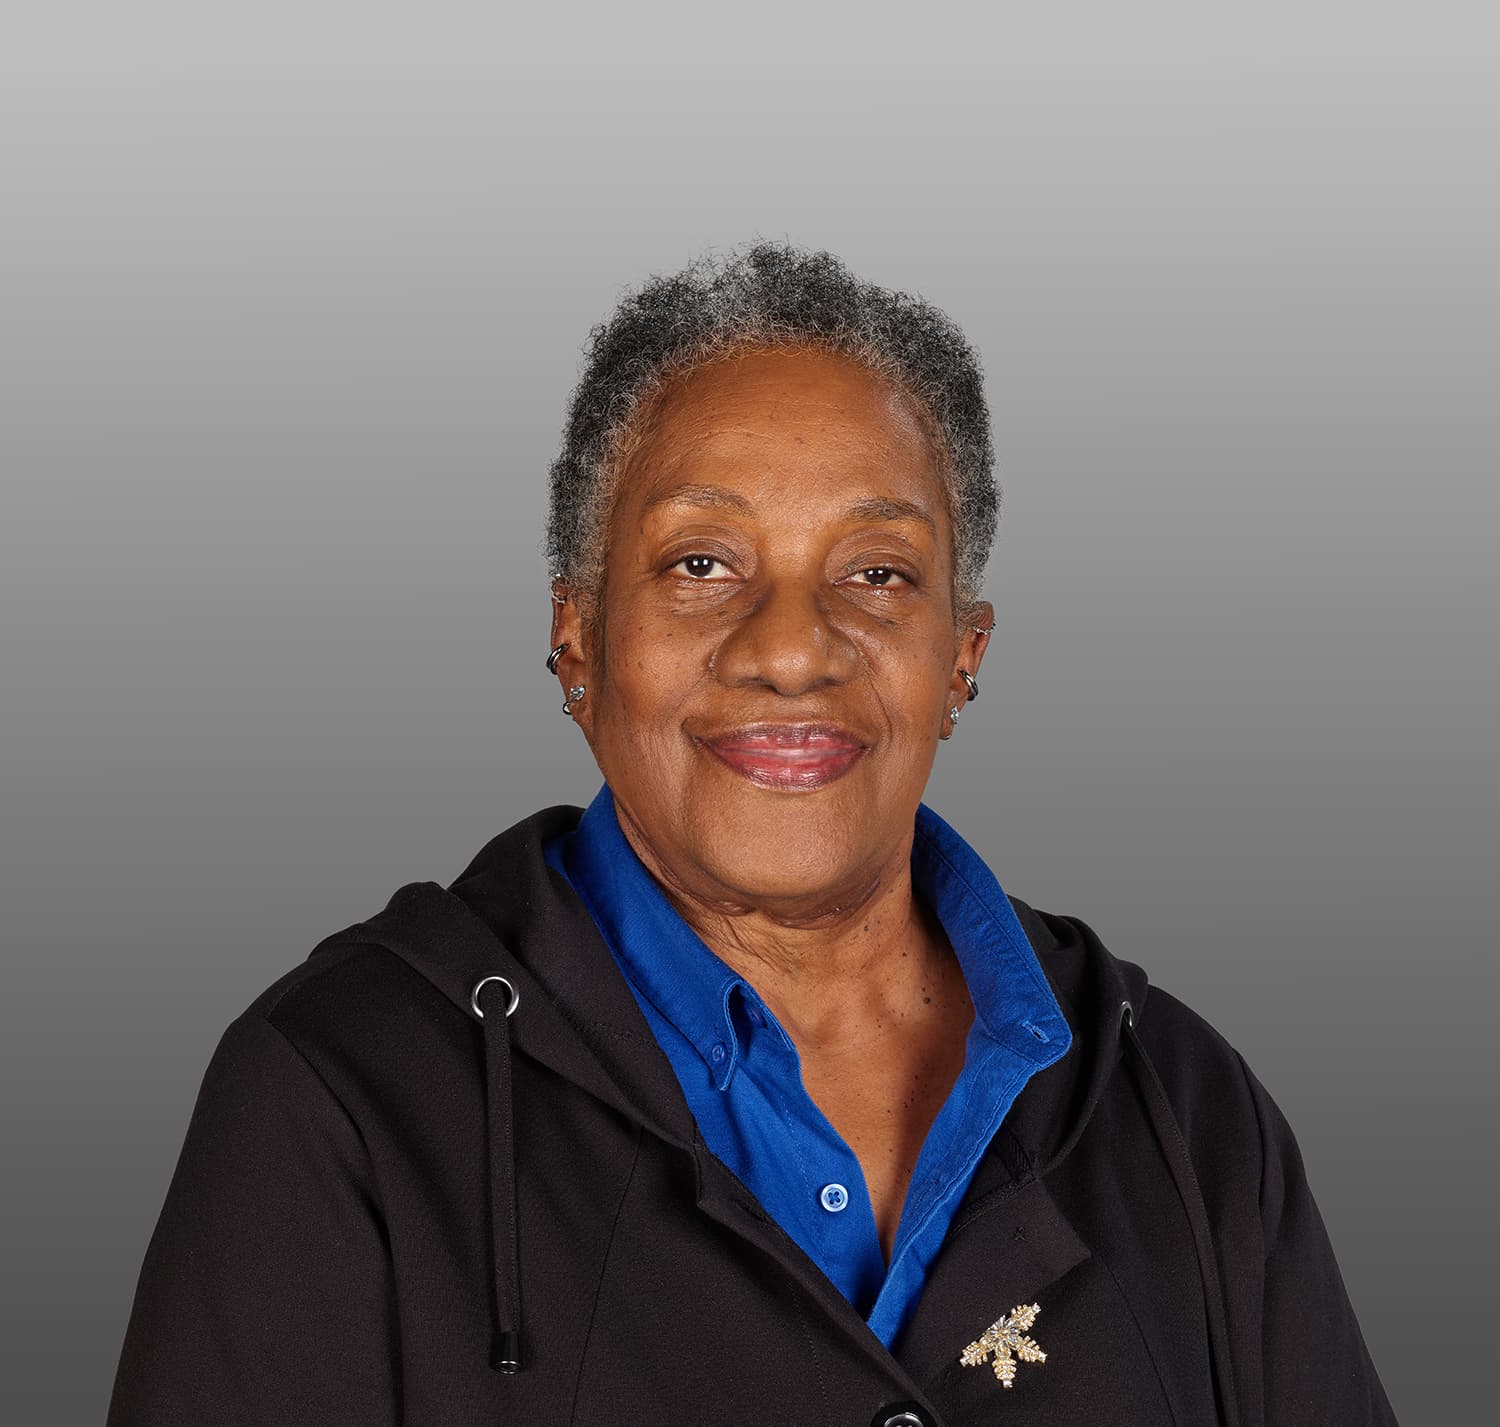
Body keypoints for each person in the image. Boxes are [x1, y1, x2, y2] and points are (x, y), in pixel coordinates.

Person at [107, 244, 1397, 1426]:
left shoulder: (1181, 1111)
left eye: (878, 573)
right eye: (702, 564)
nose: (791, 649)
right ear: (578, 635)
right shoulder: (340, 1098)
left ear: (964, 655)